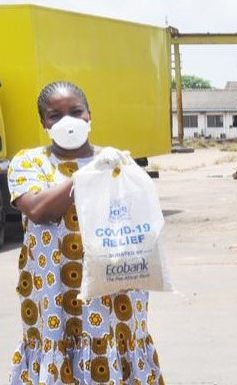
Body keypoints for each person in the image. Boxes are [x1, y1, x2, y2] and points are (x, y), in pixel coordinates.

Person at [7, 81, 165, 384]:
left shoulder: (116, 160)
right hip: (56, 295)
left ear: (89, 115)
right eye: (55, 115)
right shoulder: (28, 162)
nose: (67, 121)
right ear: (43, 123)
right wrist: (88, 173)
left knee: (114, 349)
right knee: (59, 347)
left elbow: (139, 217)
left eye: (75, 111)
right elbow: (40, 210)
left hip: (113, 291)